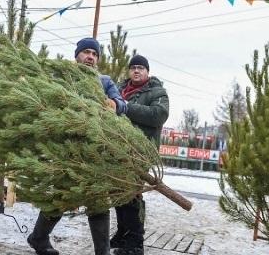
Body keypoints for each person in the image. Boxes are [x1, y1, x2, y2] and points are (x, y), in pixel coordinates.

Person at [27, 37, 126, 255]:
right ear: (77, 55)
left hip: (95, 148)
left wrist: (114, 104)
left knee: (98, 198)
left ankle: (103, 252)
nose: (90, 57)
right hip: (68, 147)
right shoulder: (63, 77)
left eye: (94, 54)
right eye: (86, 52)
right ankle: (38, 237)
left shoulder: (104, 81)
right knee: (63, 195)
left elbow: (122, 104)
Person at [111, 55, 170, 255]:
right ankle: (123, 232)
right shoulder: (119, 90)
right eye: (133, 67)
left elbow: (158, 115)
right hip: (117, 149)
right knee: (118, 193)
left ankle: (136, 242)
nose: (136, 71)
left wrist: (125, 107)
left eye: (141, 68)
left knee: (132, 195)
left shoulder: (157, 92)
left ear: (147, 72)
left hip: (140, 151)